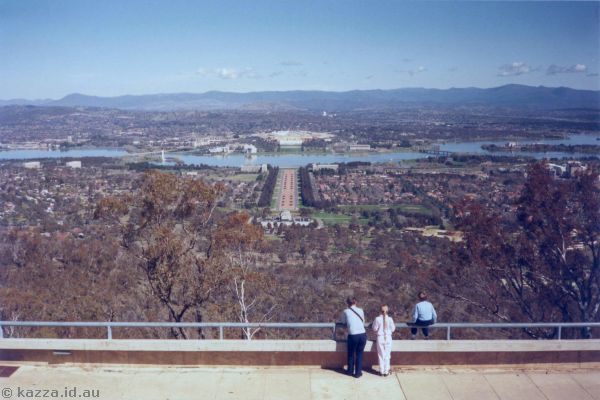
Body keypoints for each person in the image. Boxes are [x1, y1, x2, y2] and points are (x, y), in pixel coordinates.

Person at [340, 297, 367, 378]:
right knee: (359, 354)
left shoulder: (345, 311)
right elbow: (363, 322)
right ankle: (358, 373)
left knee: (351, 354)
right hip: (362, 334)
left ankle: (350, 371)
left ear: (347, 303)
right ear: (356, 302)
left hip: (353, 335)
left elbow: (343, 322)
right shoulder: (361, 310)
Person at [372, 304, 395, 376]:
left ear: (380, 310)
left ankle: (381, 371)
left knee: (381, 355)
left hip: (380, 337)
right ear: (387, 310)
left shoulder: (377, 319)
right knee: (387, 355)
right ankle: (386, 371)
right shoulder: (390, 319)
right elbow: (393, 329)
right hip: (388, 337)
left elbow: (374, 328)